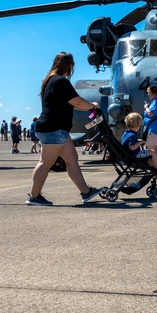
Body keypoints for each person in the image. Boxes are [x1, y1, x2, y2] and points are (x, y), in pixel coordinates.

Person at [27, 51, 103, 206]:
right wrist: (93, 106)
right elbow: (77, 102)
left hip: (56, 129)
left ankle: (86, 192)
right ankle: (34, 196)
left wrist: (89, 108)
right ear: (69, 66)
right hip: (53, 129)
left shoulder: (49, 81)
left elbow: (74, 104)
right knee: (45, 163)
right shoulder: (61, 81)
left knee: (72, 160)